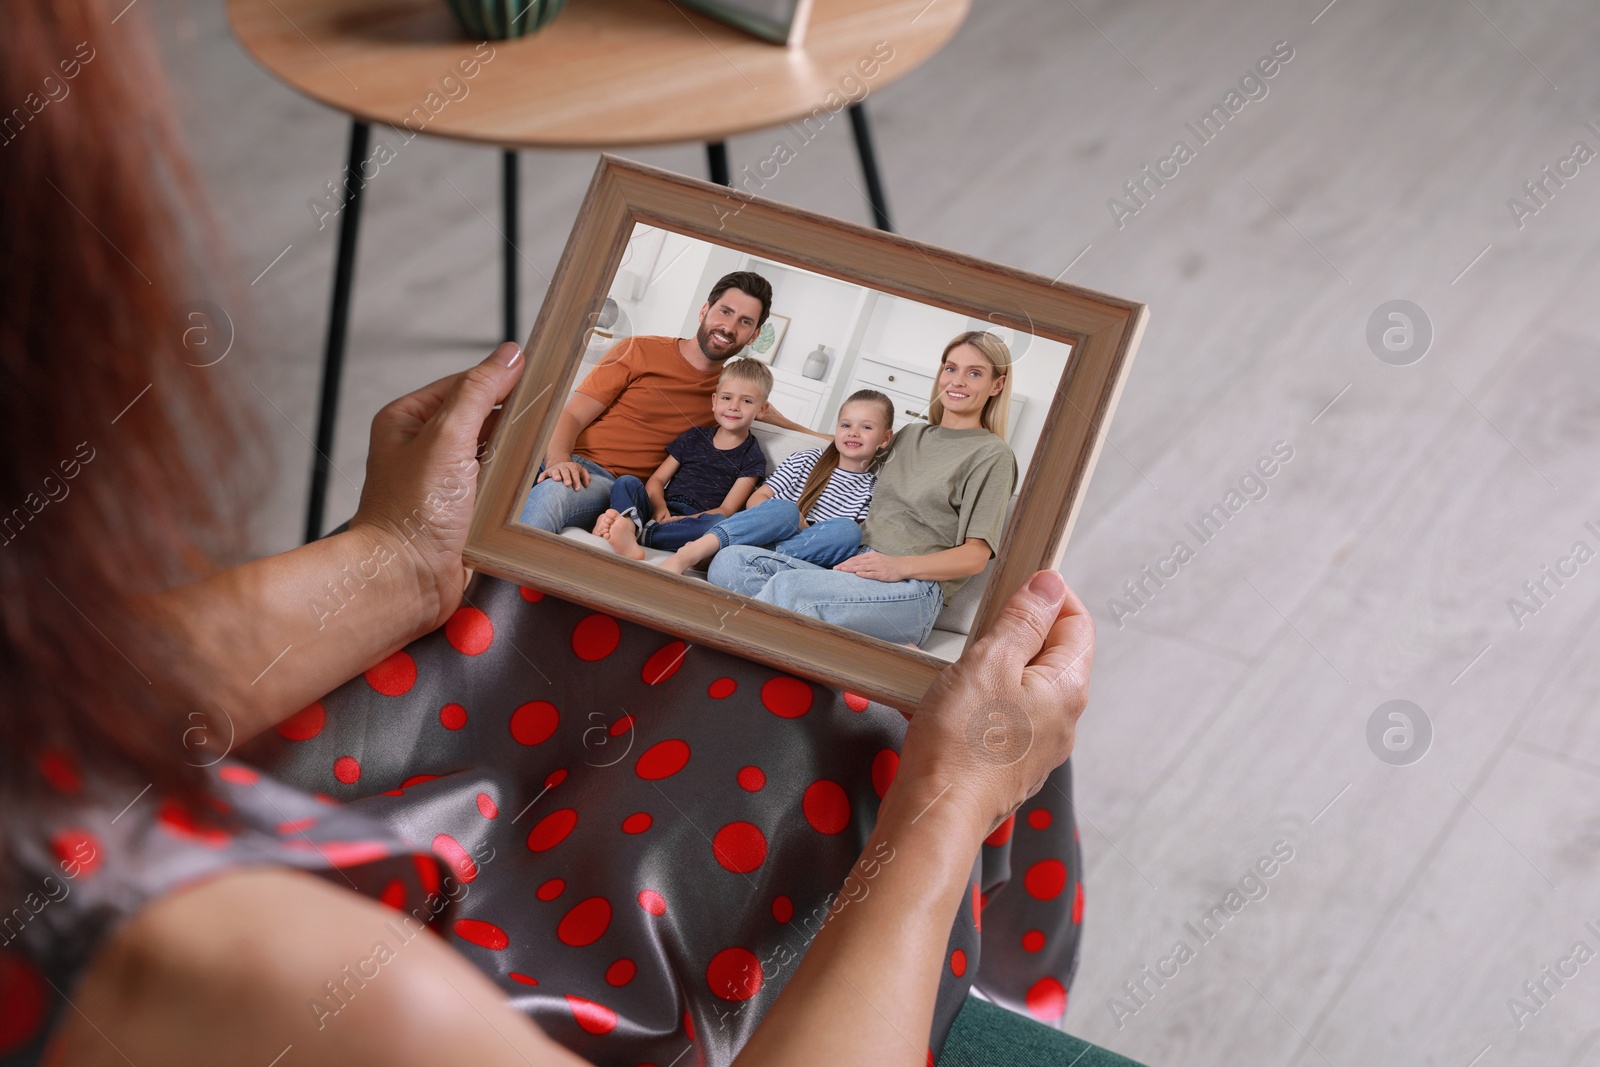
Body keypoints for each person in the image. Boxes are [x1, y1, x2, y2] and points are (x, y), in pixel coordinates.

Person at [0, 5, 1120, 1065]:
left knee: (715, 564)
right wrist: (944, 805)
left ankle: (712, 567)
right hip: (704, 524)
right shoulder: (271, 983)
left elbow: (880, 507)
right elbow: (695, 453)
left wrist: (391, 557)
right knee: (690, 566)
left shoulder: (930, 448)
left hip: (855, 561)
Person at [710, 333, 1019, 648]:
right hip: (852, 567)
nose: (958, 381)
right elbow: (853, 444)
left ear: (997, 385)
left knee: (791, 590)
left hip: (913, 588)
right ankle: (830, 634)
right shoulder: (911, 435)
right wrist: (777, 419)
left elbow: (975, 556)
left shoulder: (992, 455)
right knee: (730, 562)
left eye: (975, 373)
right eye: (951, 369)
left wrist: (897, 566)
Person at [518, 272, 821, 535]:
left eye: (744, 322)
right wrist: (559, 460)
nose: (729, 327)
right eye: (725, 312)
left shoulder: (729, 395)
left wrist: (830, 438)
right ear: (704, 310)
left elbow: (771, 415)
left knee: (552, 496)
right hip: (566, 459)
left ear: (754, 335)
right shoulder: (638, 350)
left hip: (614, 486)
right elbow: (571, 414)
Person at [661, 389, 894, 574]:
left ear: (885, 438)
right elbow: (756, 499)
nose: (853, 432)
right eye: (846, 425)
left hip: (798, 550)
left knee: (848, 532)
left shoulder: (873, 491)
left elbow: (839, 544)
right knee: (784, 510)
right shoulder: (808, 458)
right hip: (767, 527)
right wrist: (795, 520)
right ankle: (692, 553)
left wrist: (804, 529)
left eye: (866, 427)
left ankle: (740, 555)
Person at [591, 357, 771, 560]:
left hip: (694, 520)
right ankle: (626, 523)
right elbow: (657, 480)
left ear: (762, 410)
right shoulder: (694, 436)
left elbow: (727, 509)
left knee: (716, 523)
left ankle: (633, 531)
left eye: (746, 401)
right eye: (727, 398)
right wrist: (660, 507)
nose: (734, 406)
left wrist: (682, 519)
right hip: (660, 508)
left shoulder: (752, 457)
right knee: (626, 482)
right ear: (714, 401)